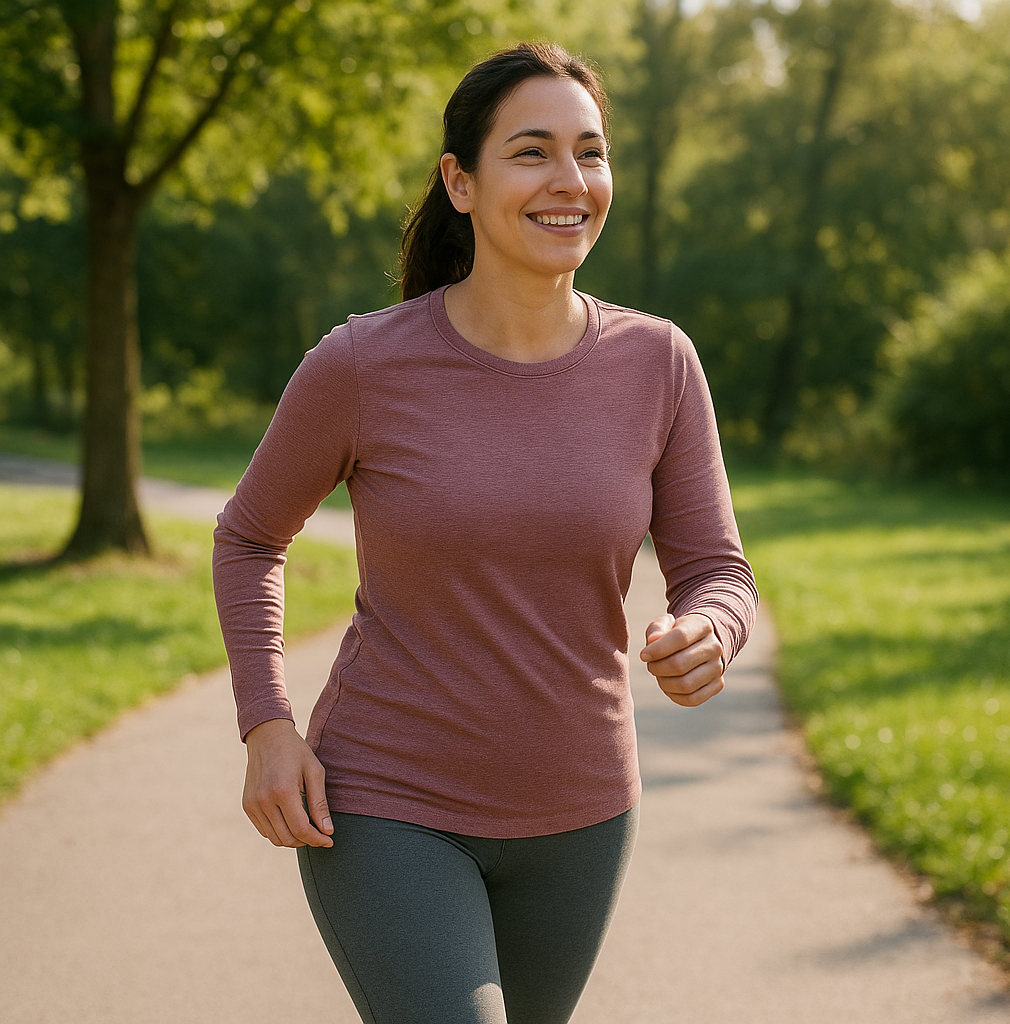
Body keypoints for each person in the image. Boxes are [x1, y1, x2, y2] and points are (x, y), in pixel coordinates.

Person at [212, 41, 757, 1024]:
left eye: (589, 153)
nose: (570, 181)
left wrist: (711, 630)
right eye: (532, 151)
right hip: (388, 801)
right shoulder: (362, 365)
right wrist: (266, 723)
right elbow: (250, 536)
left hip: (584, 809)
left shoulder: (658, 363)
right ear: (459, 183)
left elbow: (717, 567)